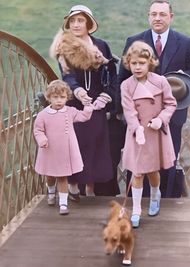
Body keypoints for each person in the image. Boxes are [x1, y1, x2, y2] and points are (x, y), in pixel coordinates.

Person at [118, 0, 190, 198]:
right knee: (140, 158)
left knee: (167, 158)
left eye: (162, 14)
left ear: (170, 17)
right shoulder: (134, 40)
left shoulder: (185, 42)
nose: (157, 18)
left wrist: (183, 75)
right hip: (139, 116)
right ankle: (139, 200)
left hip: (171, 114)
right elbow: (122, 76)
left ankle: (164, 201)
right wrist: (121, 111)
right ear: (149, 16)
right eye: (154, 14)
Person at [50, 5, 120, 198]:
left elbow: (111, 72)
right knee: (78, 143)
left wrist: (105, 96)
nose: (76, 24)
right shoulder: (64, 47)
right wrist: (78, 92)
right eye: (72, 21)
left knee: (96, 143)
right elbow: (67, 76)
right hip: (76, 102)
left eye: (80, 20)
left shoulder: (101, 45)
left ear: (88, 23)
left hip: (98, 101)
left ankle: (90, 189)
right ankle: (73, 185)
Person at [120, 41, 177, 227]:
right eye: (133, 63)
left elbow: (171, 104)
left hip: (156, 133)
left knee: (152, 171)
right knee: (137, 173)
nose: (137, 67)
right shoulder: (126, 85)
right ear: (129, 63)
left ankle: (154, 195)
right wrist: (137, 129)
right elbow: (129, 111)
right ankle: (136, 209)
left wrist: (161, 119)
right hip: (137, 133)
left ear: (150, 63)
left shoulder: (160, 81)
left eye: (141, 63)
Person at [33, 80, 102, 215]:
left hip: (65, 151)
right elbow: (38, 130)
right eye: (55, 97)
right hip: (50, 150)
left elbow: (84, 117)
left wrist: (87, 106)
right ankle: (51, 192)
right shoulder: (43, 115)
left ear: (67, 97)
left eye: (62, 97)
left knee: (63, 177)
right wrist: (42, 139)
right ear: (49, 98)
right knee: (51, 175)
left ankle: (63, 204)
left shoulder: (70, 111)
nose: (59, 101)